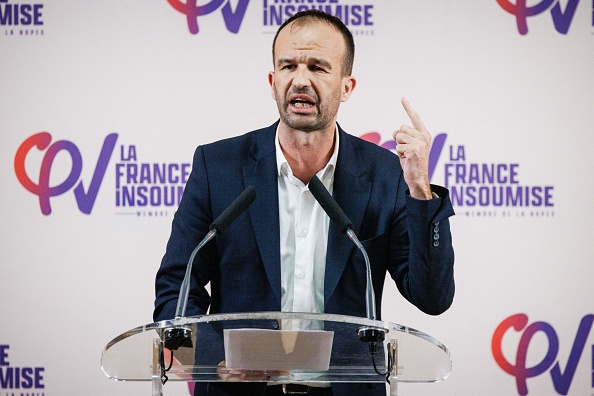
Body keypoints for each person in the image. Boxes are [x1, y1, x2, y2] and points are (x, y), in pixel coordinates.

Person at [154, 9, 455, 396]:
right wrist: (216, 360)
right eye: (288, 66)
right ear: (272, 80)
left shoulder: (386, 175)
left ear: (347, 86)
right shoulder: (219, 168)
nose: (300, 80)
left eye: (317, 67)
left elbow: (432, 297)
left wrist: (419, 190)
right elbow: (176, 292)